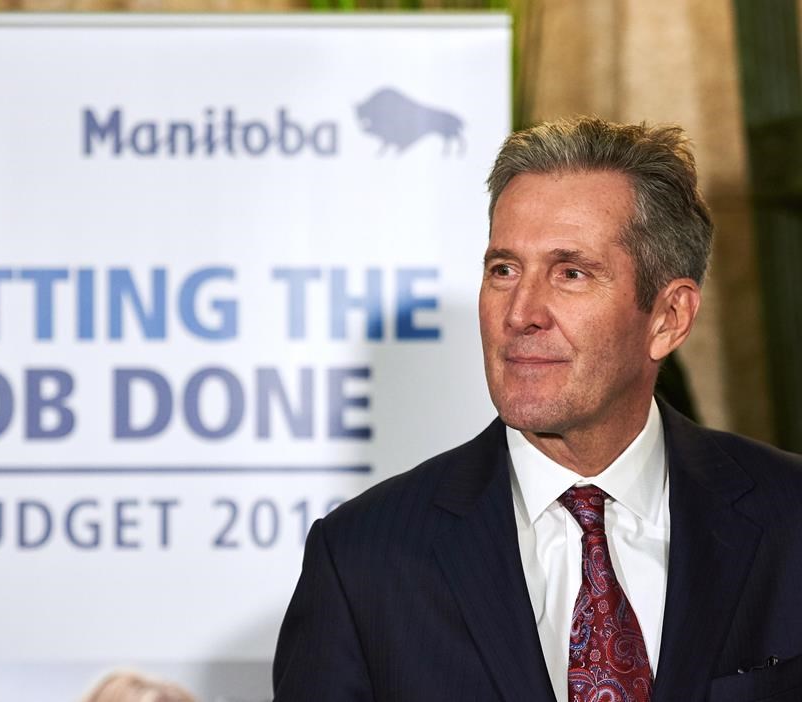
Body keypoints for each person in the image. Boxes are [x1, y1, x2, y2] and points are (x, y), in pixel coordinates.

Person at [272, 117, 802, 702]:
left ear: (669, 317)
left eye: (570, 273)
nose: (521, 311)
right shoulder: (362, 559)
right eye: (503, 270)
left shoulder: (789, 521)